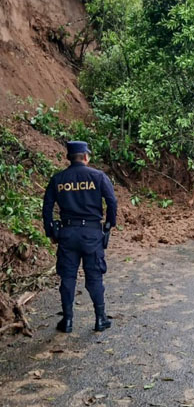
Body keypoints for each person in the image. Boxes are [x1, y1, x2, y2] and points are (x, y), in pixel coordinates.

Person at [42, 141, 117, 333]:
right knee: (94, 277)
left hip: (67, 234)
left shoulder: (58, 179)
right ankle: (100, 319)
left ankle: (67, 321)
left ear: (69, 158)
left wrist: (50, 231)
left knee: (67, 278)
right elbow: (111, 201)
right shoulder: (98, 176)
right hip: (92, 234)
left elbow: (47, 207)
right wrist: (108, 225)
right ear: (85, 157)